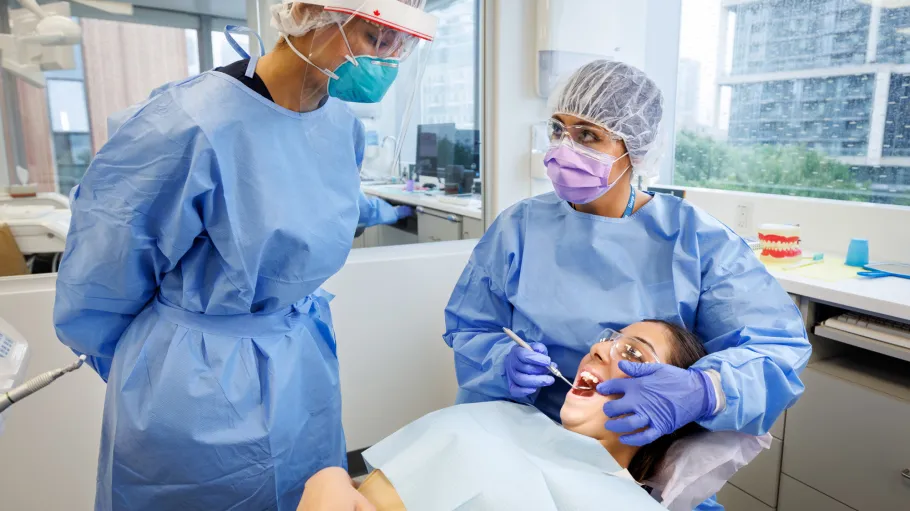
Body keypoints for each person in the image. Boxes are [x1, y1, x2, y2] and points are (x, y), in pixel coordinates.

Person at [53, 1, 437, 510]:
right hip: (193, 388)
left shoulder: (342, 129)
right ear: (307, 12)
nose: (386, 61)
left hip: (302, 372)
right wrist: (153, 368)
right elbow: (100, 280)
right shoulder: (186, 124)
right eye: (373, 38)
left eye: (398, 46)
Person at [442, 60, 811, 511]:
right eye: (558, 130)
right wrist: (503, 362)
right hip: (523, 446)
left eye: (588, 135)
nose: (563, 147)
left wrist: (704, 390)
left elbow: (776, 350)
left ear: (633, 147)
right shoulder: (518, 229)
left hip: (634, 470)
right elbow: (471, 328)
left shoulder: (696, 243)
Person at [303, 321, 725, 510]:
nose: (599, 350)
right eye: (607, 340)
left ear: (670, 407)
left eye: (633, 354)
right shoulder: (503, 416)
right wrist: (330, 479)